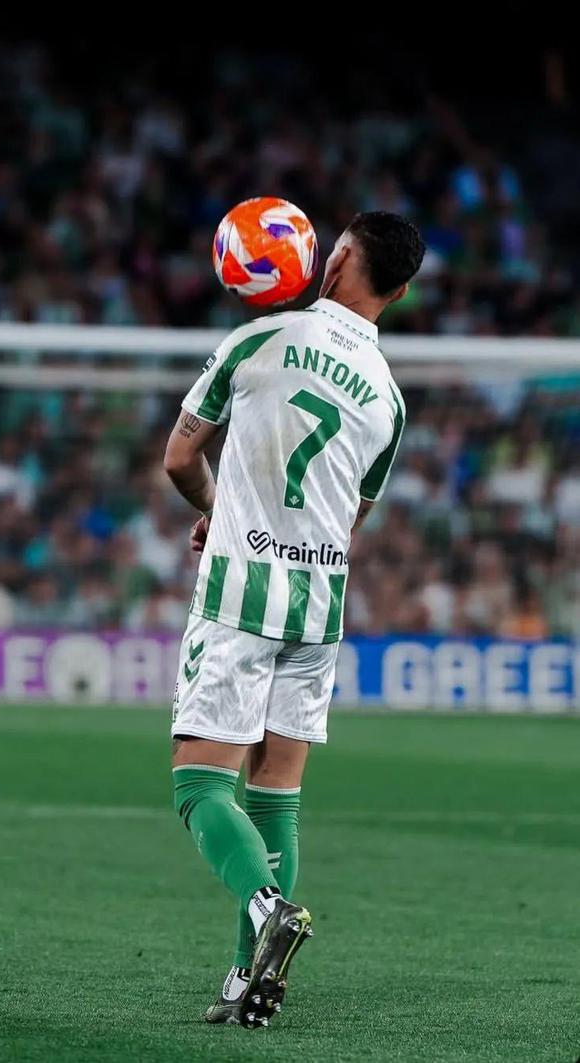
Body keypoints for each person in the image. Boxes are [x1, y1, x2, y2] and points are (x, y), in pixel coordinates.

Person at [163, 211, 425, 1029]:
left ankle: (266, 904)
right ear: (400, 292)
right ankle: (249, 977)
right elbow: (350, 515)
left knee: (199, 783)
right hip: (319, 607)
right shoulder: (389, 401)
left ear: (333, 259)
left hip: (242, 592)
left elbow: (179, 458)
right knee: (277, 795)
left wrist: (217, 508)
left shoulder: (258, 338)